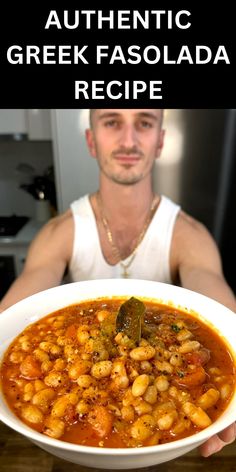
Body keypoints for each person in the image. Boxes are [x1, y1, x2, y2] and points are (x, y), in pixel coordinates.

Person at [0, 109, 235, 456]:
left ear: (161, 141)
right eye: (112, 122)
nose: (128, 139)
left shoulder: (189, 235)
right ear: (92, 141)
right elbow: (15, 310)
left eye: (144, 123)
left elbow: (220, 305)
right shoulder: (59, 233)